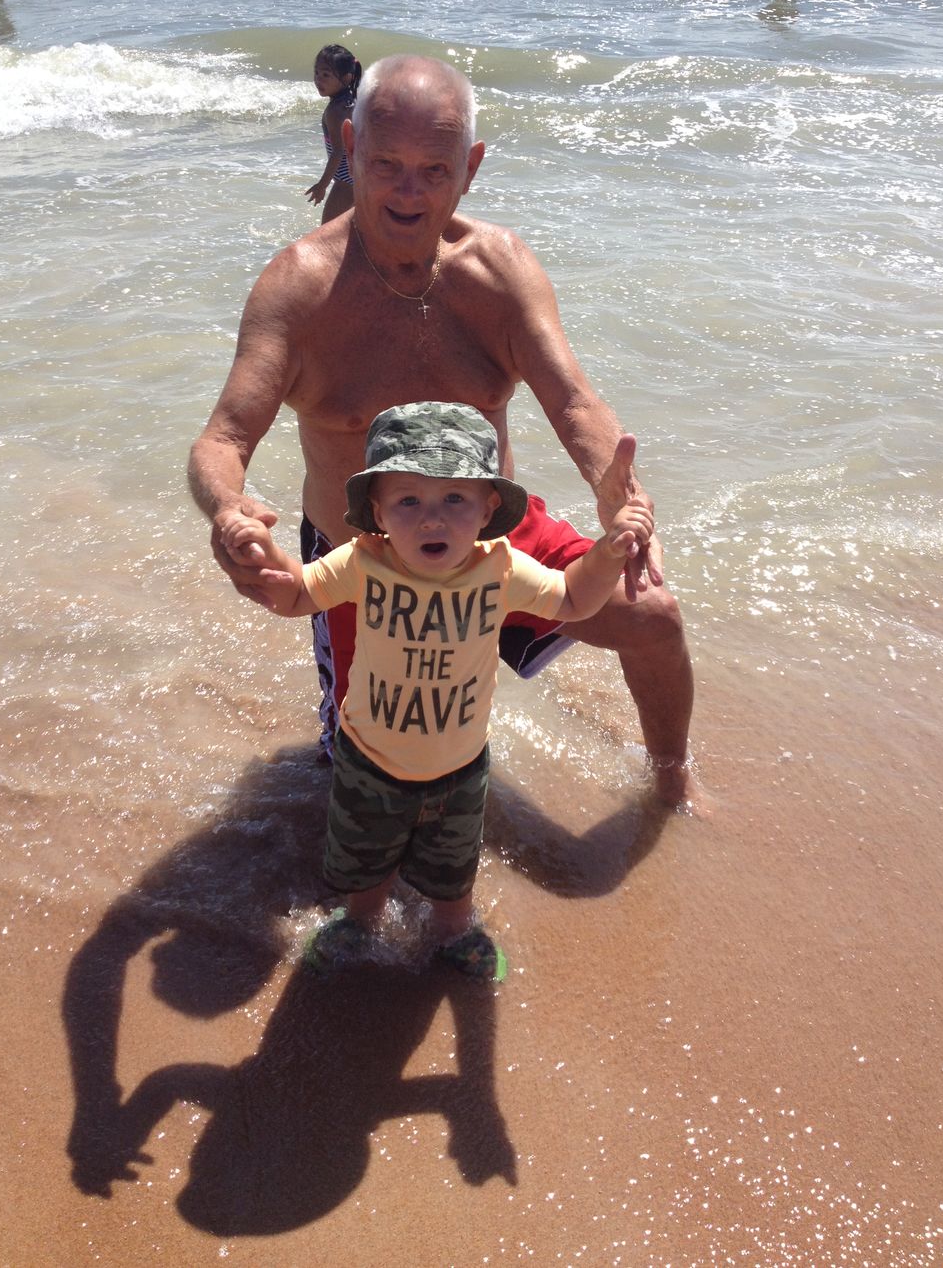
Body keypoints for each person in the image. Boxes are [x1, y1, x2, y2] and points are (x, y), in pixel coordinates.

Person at [188, 54, 694, 806]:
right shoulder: (299, 288)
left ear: (473, 166)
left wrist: (618, 494)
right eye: (387, 164)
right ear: (351, 148)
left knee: (651, 614)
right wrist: (229, 509)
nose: (409, 190)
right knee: (374, 790)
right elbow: (222, 440)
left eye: (435, 168)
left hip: (489, 544)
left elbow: (577, 404)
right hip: (367, 567)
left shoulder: (500, 270)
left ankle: (672, 781)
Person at [221, 401, 654, 979]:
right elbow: (297, 596)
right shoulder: (364, 562)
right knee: (364, 864)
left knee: (453, 872)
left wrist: (608, 550)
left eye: (454, 499)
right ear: (377, 511)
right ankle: (361, 922)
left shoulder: (499, 567)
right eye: (409, 501)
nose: (432, 519)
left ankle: (454, 931)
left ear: (487, 508)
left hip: (459, 766)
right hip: (368, 759)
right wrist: (265, 556)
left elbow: (573, 599)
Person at [304, 44, 362, 223]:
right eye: (317, 73)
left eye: (326, 75)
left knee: (326, 233)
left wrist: (322, 185)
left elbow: (338, 152)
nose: (318, 80)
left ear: (346, 78)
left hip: (346, 182)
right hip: (361, 177)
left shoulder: (336, 111)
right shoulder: (354, 101)